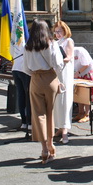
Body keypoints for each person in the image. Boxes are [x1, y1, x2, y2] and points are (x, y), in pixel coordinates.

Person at [22, 19, 64, 164]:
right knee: (50, 113)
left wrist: (35, 73)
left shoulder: (27, 46)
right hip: (50, 78)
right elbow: (58, 64)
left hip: (35, 79)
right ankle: (51, 144)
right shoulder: (52, 44)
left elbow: (25, 68)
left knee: (38, 114)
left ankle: (44, 149)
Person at [52, 20, 74, 144]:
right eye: (55, 32)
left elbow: (68, 57)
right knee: (57, 102)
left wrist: (58, 60)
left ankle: (65, 128)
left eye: (59, 31)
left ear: (65, 31)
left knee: (64, 101)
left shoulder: (68, 41)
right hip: (56, 73)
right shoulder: (55, 42)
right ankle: (59, 127)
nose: (57, 34)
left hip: (65, 74)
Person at [73, 46, 93, 122]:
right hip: (79, 74)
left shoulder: (79, 51)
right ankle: (80, 113)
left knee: (87, 94)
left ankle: (87, 114)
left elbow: (86, 64)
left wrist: (78, 72)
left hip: (87, 73)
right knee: (79, 94)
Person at [12, 52, 32, 132]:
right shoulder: (26, 43)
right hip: (24, 70)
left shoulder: (14, 43)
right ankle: (29, 122)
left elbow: (11, 53)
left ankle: (24, 122)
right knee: (28, 96)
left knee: (21, 96)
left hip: (15, 68)